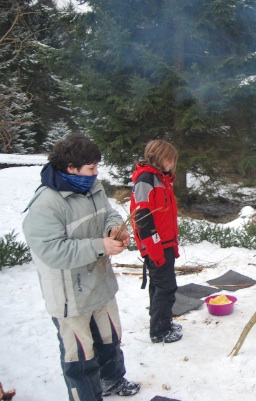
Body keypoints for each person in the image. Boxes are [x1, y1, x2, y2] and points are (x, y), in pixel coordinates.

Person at [22, 133, 140, 399]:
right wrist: (100, 246)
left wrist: (114, 228)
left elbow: (109, 213)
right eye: (91, 167)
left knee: (109, 340)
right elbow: (51, 251)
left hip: (99, 284)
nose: (96, 172)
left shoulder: (93, 186)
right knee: (80, 357)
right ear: (71, 167)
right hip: (69, 296)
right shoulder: (46, 204)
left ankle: (113, 381)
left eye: (97, 166)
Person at [130, 140, 183, 344]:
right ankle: (160, 331)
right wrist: (155, 250)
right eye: (168, 159)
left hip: (165, 243)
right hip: (156, 245)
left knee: (159, 285)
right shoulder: (146, 180)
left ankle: (161, 322)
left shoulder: (162, 178)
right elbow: (142, 218)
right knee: (166, 288)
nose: (172, 163)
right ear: (158, 157)